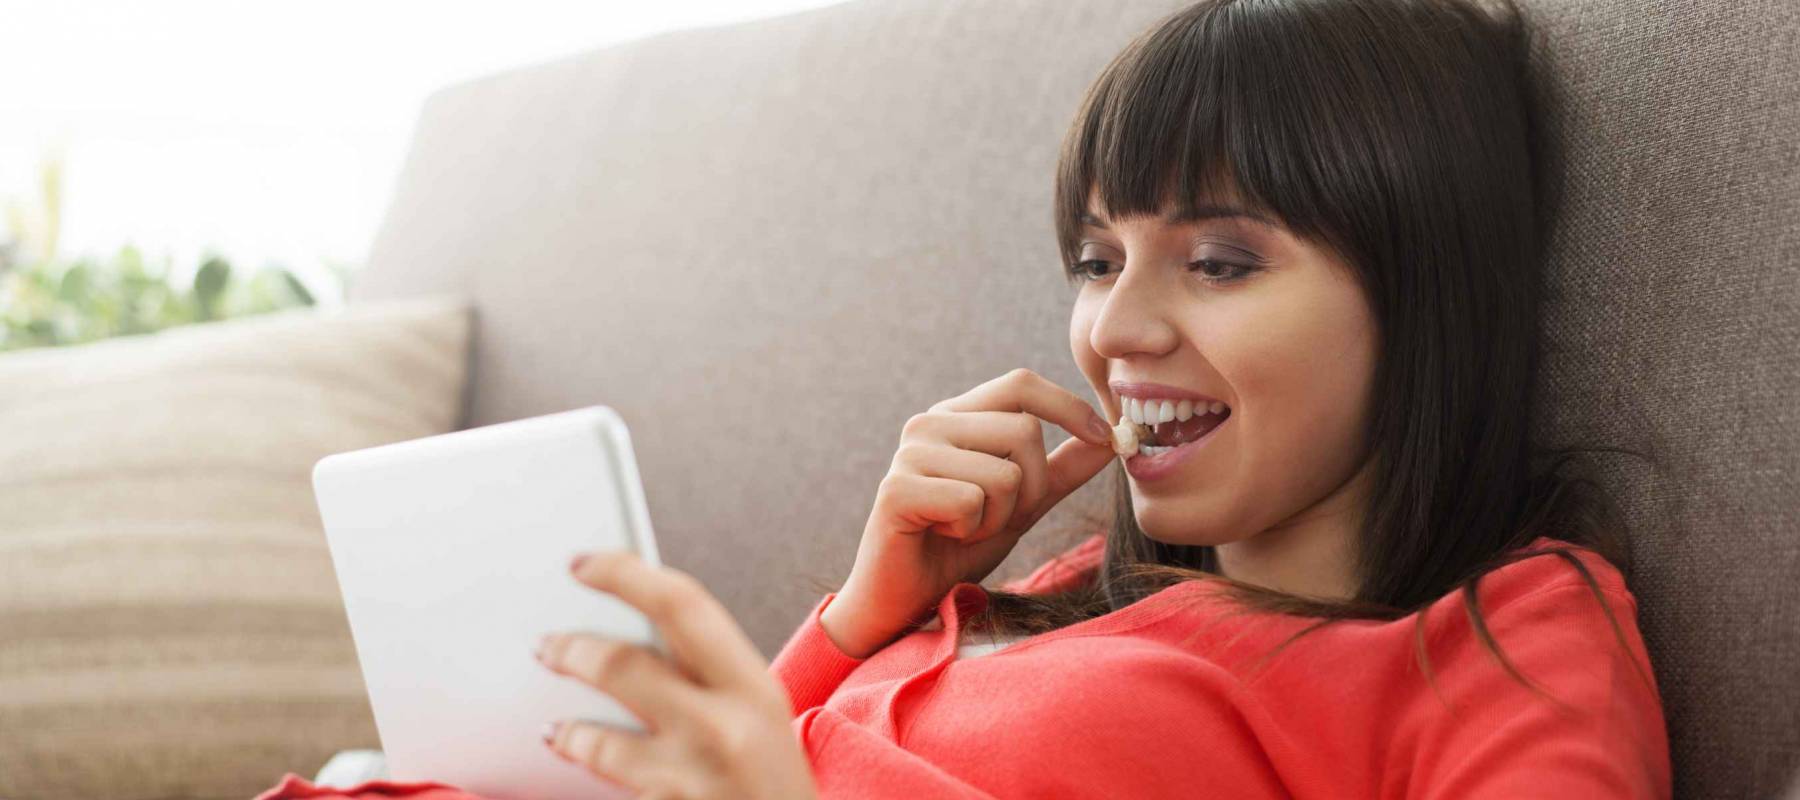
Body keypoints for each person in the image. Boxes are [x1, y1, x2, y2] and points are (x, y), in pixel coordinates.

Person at [256, 0, 1672, 797]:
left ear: (1427, 290)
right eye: (1097, 259)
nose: (1115, 328)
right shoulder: (1062, 583)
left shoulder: (1499, 631)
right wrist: (864, 615)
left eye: (1222, 260)